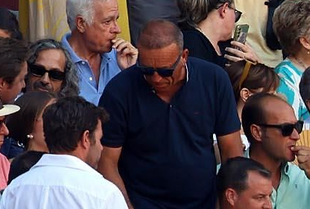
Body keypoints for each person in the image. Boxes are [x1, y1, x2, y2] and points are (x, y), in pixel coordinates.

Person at [97, 21, 242, 209]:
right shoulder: (119, 91)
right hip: (142, 202)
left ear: (184, 56)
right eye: (147, 70)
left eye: (166, 71)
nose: (156, 78)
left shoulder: (214, 79)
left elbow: (232, 151)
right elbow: (107, 162)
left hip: (204, 202)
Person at [0, 96, 123, 209]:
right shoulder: (104, 194)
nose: (101, 148)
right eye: (100, 139)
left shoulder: (15, 189)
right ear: (85, 138)